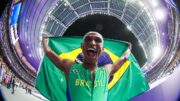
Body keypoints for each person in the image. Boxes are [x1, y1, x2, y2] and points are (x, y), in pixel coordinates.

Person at [43, 31, 131, 101]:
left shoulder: (107, 70)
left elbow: (124, 58)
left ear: (103, 49)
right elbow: (48, 52)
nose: (92, 43)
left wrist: (129, 48)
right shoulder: (69, 67)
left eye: (97, 40)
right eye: (88, 39)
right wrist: (45, 41)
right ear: (82, 46)